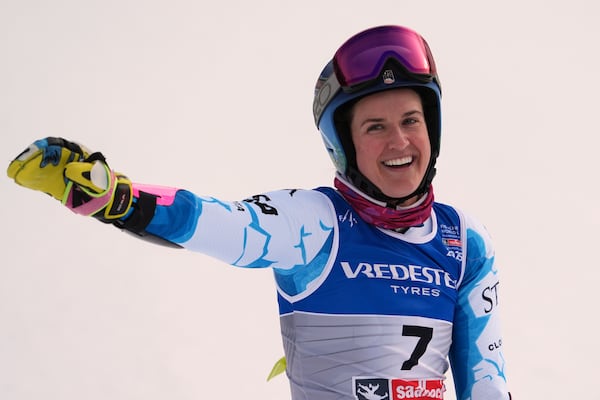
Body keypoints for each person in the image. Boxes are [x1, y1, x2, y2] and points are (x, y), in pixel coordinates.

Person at [7, 25, 511, 400]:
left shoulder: (464, 240)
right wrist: (116, 198)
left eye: (411, 120)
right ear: (345, 146)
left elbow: (485, 377)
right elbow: (218, 223)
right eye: (374, 127)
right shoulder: (314, 222)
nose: (399, 141)